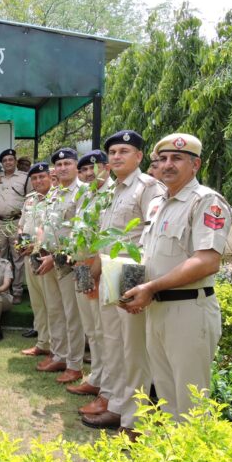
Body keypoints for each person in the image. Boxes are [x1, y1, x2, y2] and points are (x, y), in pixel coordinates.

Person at [123, 133, 232, 423]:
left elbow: (207, 261)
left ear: (195, 165)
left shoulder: (207, 201)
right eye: (163, 159)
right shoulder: (158, 204)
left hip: (188, 311)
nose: (168, 165)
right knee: (167, 397)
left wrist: (151, 287)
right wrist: (136, 289)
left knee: (192, 402)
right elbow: (152, 257)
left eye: (178, 158)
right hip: (157, 308)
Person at [81, 131, 164, 434]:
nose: (116, 157)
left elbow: (150, 240)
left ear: (139, 156)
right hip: (104, 275)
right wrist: (91, 276)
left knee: (133, 351)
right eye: (112, 152)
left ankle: (134, 420)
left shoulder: (148, 188)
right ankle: (115, 404)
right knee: (110, 343)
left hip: (129, 278)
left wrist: (132, 287)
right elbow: (99, 241)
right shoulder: (110, 191)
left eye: (124, 151)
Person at [35, 148, 85, 385]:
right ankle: (59, 355)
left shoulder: (83, 193)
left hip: (69, 263)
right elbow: (46, 226)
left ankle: (74, 365)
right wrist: (41, 249)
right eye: (59, 164)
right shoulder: (54, 195)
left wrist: (54, 258)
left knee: (71, 313)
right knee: (54, 310)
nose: (63, 167)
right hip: (48, 261)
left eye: (68, 163)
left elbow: (80, 234)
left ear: (76, 166)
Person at [67, 151, 113, 401]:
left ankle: (107, 384)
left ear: (106, 168)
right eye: (83, 170)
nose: (87, 174)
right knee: (92, 328)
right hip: (82, 267)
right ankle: (96, 377)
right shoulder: (86, 195)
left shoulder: (112, 194)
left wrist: (93, 271)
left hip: (101, 269)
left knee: (105, 328)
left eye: (92, 169)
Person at [18, 162, 51, 350]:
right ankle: (42, 342)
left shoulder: (56, 199)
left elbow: (55, 230)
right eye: (34, 178)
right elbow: (22, 224)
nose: (38, 181)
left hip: (46, 257)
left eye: (41, 177)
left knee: (51, 303)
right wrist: (19, 238)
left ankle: (55, 345)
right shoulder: (30, 199)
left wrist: (36, 246)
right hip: (29, 256)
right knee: (37, 301)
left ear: (50, 177)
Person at [0, 148, 30, 304]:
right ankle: (2, 289)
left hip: (17, 223)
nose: (8, 162)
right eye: (5, 160)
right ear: (2, 163)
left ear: (15, 161)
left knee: (18, 257)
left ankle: (18, 290)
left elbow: (30, 199)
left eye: (10, 159)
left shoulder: (24, 178)